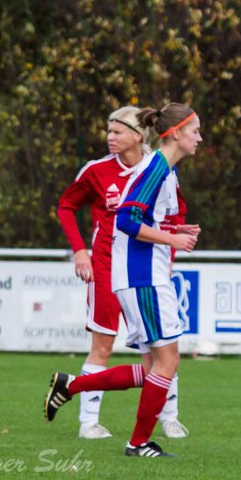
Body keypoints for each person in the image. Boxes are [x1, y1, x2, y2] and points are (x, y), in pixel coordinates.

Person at [45, 103, 203, 458]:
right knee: (168, 362)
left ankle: (72, 386)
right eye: (195, 130)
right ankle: (139, 443)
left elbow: (143, 217)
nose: (200, 138)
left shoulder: (161, 168)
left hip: (139, 273)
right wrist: (173, 240)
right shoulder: (157, 169)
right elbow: (127, 221)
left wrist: (173, 228)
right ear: (175, 132)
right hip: (143, 276)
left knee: (152, 368)